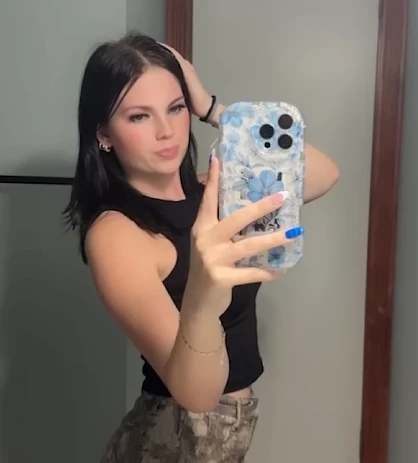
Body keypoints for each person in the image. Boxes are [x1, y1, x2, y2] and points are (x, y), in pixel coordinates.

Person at [64, 32, 339, 462]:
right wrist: (202, 299)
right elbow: (197, 394)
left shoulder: (216, 190)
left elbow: (322, 173)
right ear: (104, 134)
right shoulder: (117, 234)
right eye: (139, 116)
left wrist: (214, 110)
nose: (166, 131)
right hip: (171, 439)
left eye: (176, 108)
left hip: (224, 433)